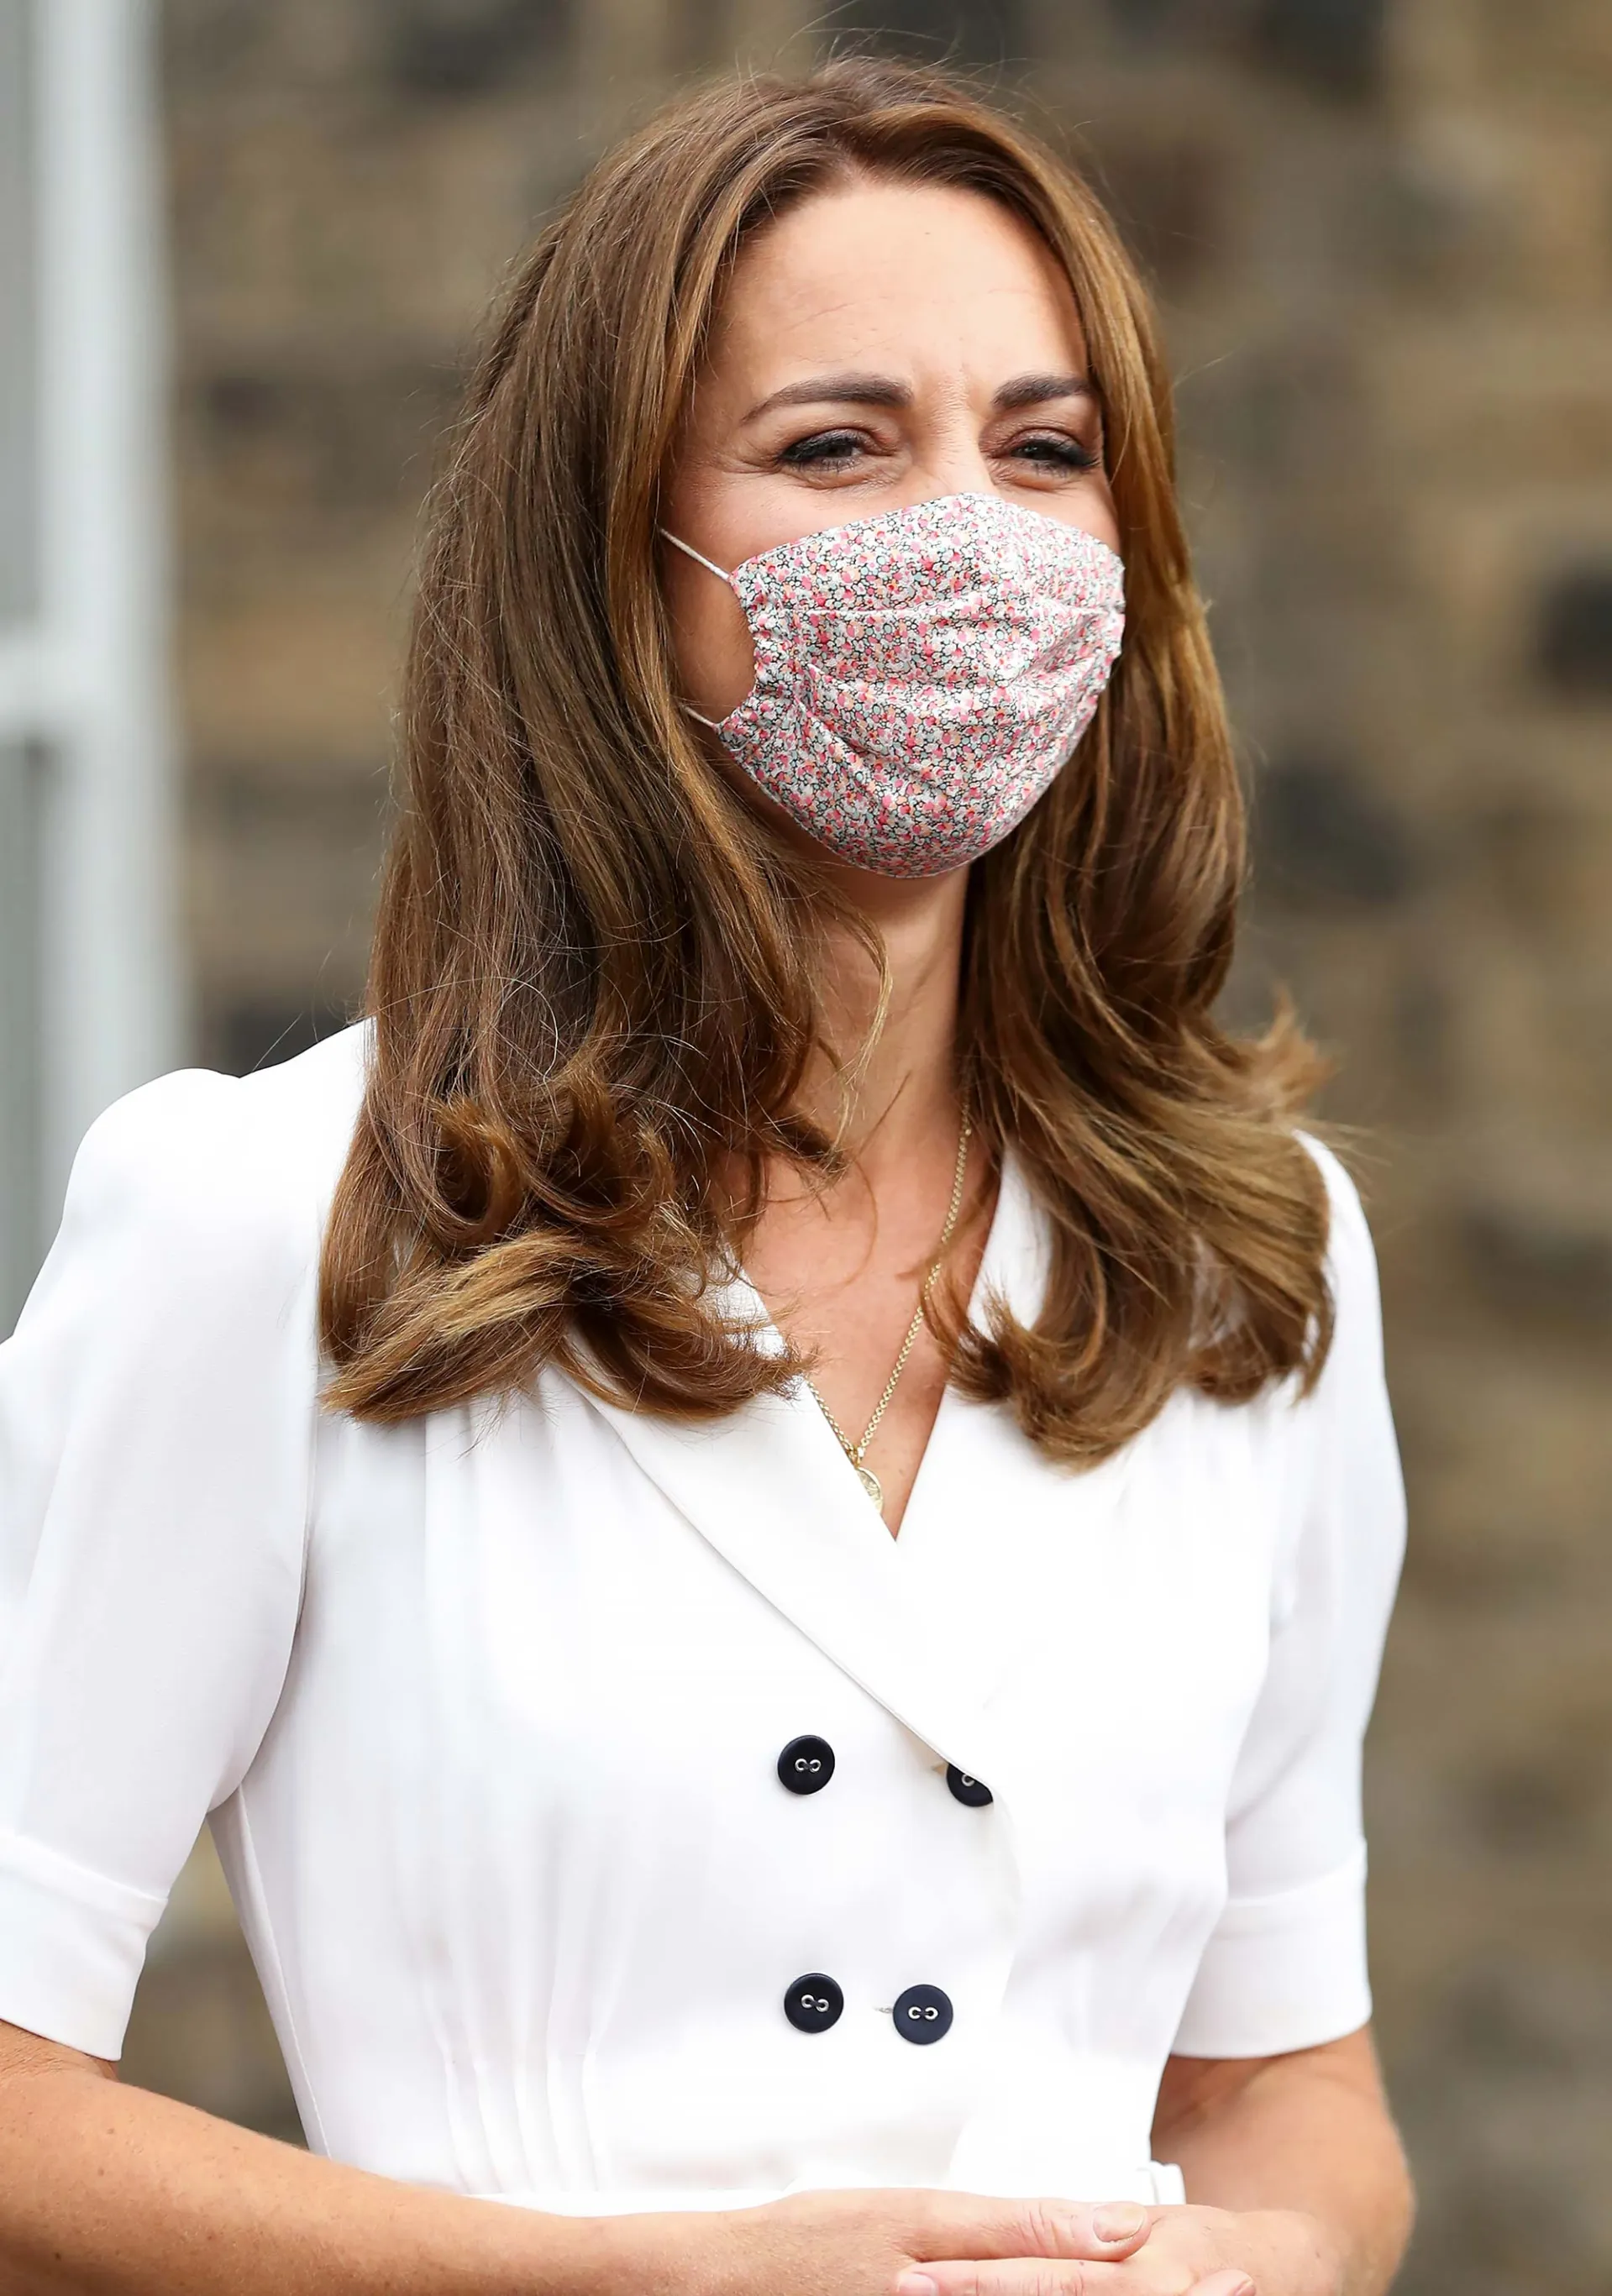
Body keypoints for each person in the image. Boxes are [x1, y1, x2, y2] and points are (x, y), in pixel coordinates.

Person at [0, 55, 1412, 2296]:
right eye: (837, 445)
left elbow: (1284, 2084)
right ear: (613, 557)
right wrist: (630, 2278)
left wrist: (1273, 2262)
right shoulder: (268, 1220)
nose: (966, 532)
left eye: (1045, 448)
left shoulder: (1246, 1259)